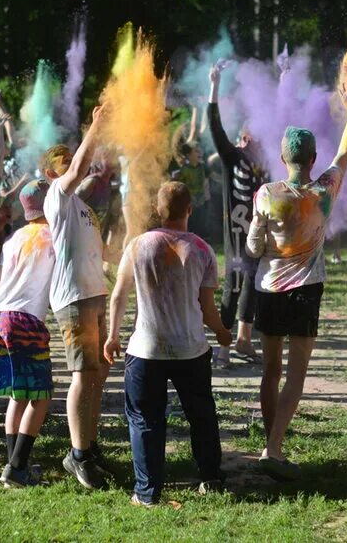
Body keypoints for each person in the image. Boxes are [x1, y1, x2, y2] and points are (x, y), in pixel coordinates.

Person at [245, 73, 347, 481]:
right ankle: (273, 447)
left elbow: (252, 248)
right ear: (312, 160)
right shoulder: (322, 193)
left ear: (283, 158)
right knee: (296, 374)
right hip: (306, 291)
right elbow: (344, 154)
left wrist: (262, 242)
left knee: (270, 371)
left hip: (269, 289)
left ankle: (271, 443)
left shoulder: (265, 195)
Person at [106, 181, 232, 505]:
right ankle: (211, 478)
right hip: (191, 348)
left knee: (145, 419)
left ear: (159, 211)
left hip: (146, 348)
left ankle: (147, 493)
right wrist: (220, 331)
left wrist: (112, 335)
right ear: (189, 210)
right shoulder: (203, 250)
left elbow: (119, 294)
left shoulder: (137, 246)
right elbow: (206, 307)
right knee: (201, 414)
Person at [41, 102, 112, 489]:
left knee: (98, 374)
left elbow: (98, 252)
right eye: (61, 160)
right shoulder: (57, 196)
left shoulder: (83, 208)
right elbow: (81, 168)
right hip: (73, 298)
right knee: (83, 375)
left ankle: (90, 445)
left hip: (94, 295)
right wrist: (97, 126)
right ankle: (77, 454)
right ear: (51, 172)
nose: (69, 162)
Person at [0, 179, 55, 488]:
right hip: (23, 320)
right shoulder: (53, 236)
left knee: (18, 395)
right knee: (40, 397)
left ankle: (14, 466)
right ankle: (18, 466)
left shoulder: (13, 238)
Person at [208, 62, 268, 364]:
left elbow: (279, 117)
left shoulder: (264, 161)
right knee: (234, 285)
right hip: (236, 232)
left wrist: (283, 82)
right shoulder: (233, 158)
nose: (248, 142)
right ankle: (225, 346)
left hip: (258, 231)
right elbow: (215, 127)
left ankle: (242, 340)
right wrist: (214, 86)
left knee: (253, 283)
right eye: (247, 138)